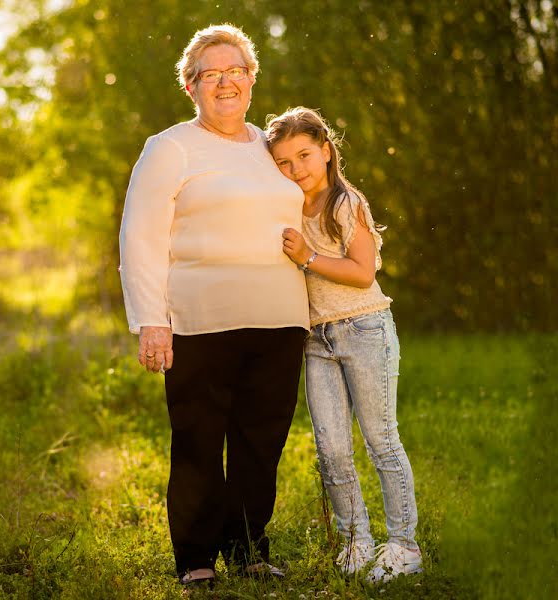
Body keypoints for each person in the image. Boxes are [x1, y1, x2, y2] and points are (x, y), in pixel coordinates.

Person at [118, 25, 309, 586]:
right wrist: (151, 321)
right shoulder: (170, 147)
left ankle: (249, 550)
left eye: (236, 71)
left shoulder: (269, 146)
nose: (226, 83)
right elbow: (140, 235)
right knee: (199, 441)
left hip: (280, 320)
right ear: (191, 85)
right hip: (201, 322)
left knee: (261, 443)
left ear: (252, 79)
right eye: (211, 74)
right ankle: (197, 560)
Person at [265, 107, 422, 583]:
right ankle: (357, 539)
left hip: (364, 329)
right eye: (284, 163)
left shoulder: (344, 202)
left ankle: (404, 545)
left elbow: (362, 272)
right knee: (331, 449)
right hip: (315, 338)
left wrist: (308, 257)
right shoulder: (287, 208)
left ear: (327, 152)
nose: (297, 169)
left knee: (381, 441)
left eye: (305, 155)